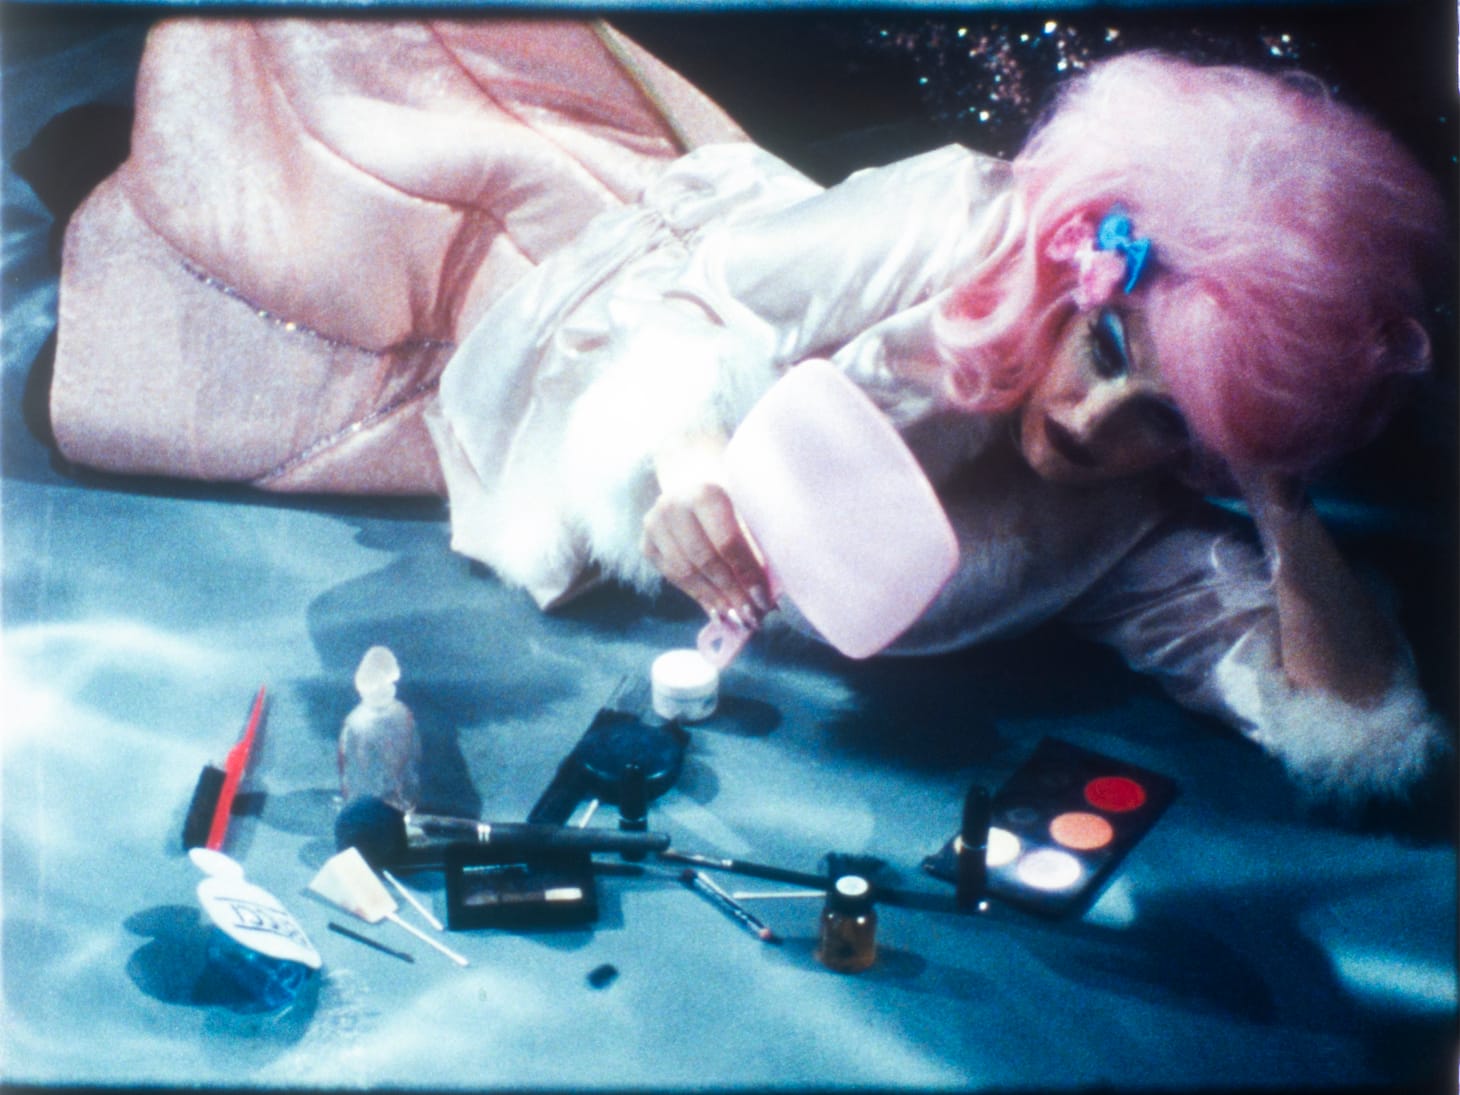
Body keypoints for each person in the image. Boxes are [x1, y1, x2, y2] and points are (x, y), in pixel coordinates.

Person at [51, 19, 1452, 804]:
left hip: (618, 386)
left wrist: (1274, 490)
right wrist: (680, 454)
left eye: (1169, 417)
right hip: (606, 293)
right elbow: (701, 310)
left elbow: (1339, 713)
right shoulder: (960, 224)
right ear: (1076, 259)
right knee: (288, 221)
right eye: (1106, 347)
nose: (1097, 419)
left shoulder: (1138, 534)